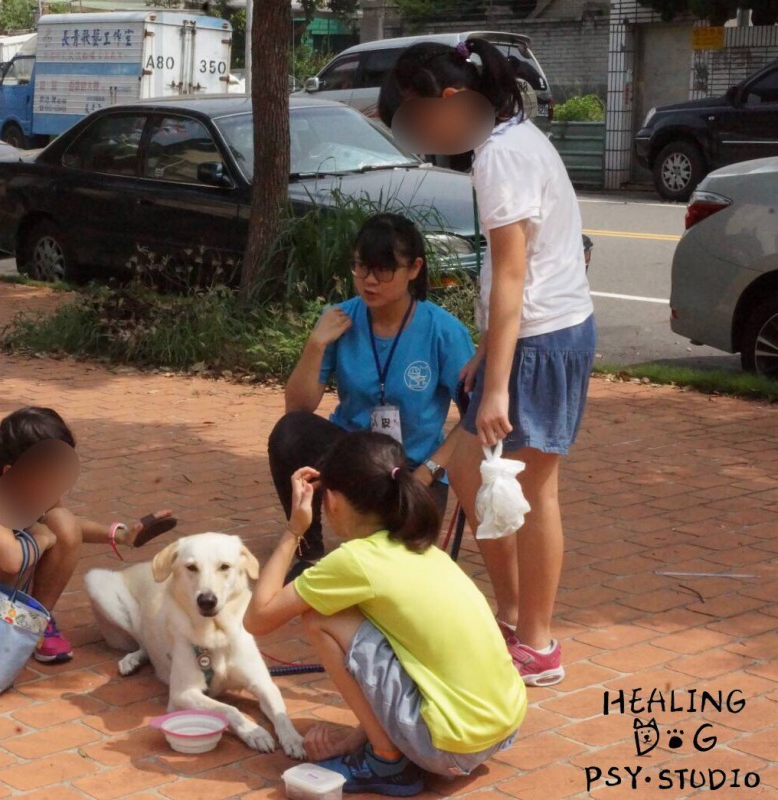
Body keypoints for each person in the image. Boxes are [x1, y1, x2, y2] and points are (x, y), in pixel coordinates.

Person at [380, 39, 597, 686]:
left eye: (421, 118)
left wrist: (497, 385)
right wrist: (484, 356)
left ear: (451, 102)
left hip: (541, 339)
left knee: (532, 492)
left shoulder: (500, 157)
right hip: (531, 336)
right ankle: (510, 615)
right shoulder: (512, 138)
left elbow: (511, 276)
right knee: (472, 472)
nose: (423, 135)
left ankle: (537, 643)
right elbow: (520, 273)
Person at [244, 432, 525, 796]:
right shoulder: (420, 547)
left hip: (452, 747)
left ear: (330, 501)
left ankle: (387, 761)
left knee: (320, 618)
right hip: (502, 725)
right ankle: (388, 743)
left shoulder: (354, 561)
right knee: (371, 623)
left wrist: (294, 530)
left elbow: (258, 619)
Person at [268, 213, 475, 581]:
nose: (369, 281)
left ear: (414, 269)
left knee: (400, 574)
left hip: (412, 468)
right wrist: (316, 344)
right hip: (351, 455)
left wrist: (428, 473)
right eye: (361, 268)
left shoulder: (444, 332)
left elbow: (474, 415)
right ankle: (308, 549)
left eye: (383, 270)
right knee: (289, 433)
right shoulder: (340, 319)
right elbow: (297, 409)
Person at [0, 406, 174, 663]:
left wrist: (121, 535)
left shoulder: (31, 486)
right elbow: (11, 560)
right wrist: (42, 536)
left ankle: (34, 624)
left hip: (1, 589)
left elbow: (67, 526)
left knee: (61, 520)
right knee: (22, 545)